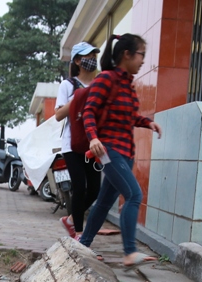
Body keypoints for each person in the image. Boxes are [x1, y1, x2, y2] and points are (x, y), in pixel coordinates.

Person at [78, 33, 162, 269]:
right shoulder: (106, 79)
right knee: (134, 195)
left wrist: (147, 123)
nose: (143, 60)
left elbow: (128, 115)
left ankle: (83, 244)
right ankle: (129, 252)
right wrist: (93, 137)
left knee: (104, 203)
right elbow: (89, 111)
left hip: (125, 152)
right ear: (127, 54)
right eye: (141, 55)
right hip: (109, 149)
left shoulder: (127, 84)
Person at [54, 41, 101, 241]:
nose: (91, 59)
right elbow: (58, 115)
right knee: (79, 187)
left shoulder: (100, 83)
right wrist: (78, 98)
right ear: (77, 61)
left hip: (94, 143)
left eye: (93, 55)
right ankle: (78, 233)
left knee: (95, 189)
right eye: (87, 56)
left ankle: (71, 219)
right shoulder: (68, 85)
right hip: (72, 144)